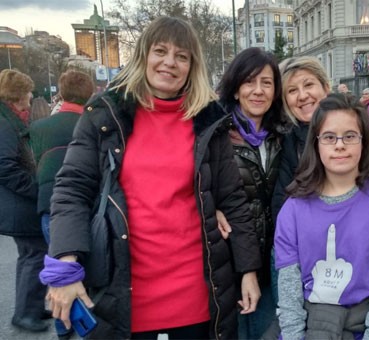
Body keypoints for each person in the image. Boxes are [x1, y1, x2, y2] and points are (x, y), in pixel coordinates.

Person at [42, 16, 261, 339]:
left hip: (197, 301)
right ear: (143, 55)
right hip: (125, 300)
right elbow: (72, 189)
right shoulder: (105, 115)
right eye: (160, 51)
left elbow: (233, 199)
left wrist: (248, 270)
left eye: (182, 56)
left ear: (192, 66)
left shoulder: (209, 121)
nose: (170, 62)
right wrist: (65, 263)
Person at [274, 94, 369, 339]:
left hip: (365, 326)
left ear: (363, 142)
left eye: (349, 136)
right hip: (310, 326)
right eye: (329, 137)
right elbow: (289, 288)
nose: (339, 145)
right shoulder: (293, 208)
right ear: (316, 143)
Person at [215, 47, 286, 339]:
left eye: (266, 83)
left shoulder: (283, 134)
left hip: (271, 256)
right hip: (227, 259)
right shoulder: (214, 134)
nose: (258, 91)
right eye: (249, 82)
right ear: (235, 89)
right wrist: (209, 207)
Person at [0, 69, 50, 333]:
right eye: (29, 95)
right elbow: (4, 166)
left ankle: (29, 308)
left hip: (18, 204)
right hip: (20, 205)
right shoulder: (6, 124)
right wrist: (35, 189)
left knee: (30, 256)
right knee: (34, 256)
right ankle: (25, 313)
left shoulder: (9, 120)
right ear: (17, 97)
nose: (31, 101)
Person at [29, 70, 95, 245]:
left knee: (62, 267)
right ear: (90, 93)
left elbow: (36, 166)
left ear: (62, 93)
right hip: (88, 205)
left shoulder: (38, 128)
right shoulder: (95, 126)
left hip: (49, 206)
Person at [272, 56, 331, 220]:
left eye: (309, 85)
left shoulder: (355, 126)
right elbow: (281, 200)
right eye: (292, 90)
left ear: (326, 88)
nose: (303, 95)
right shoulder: (286, 141)